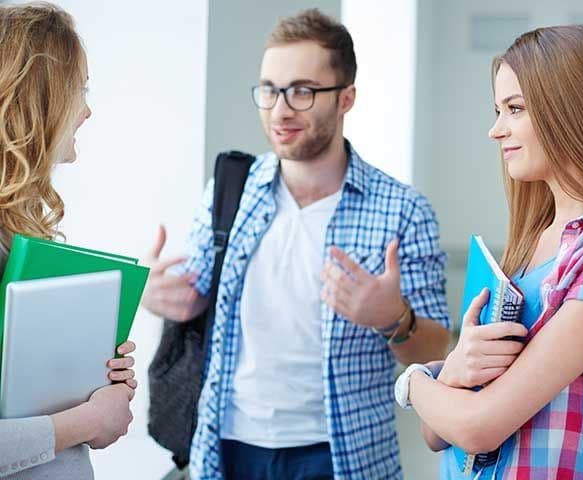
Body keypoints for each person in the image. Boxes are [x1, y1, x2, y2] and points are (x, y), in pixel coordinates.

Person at [142, 8, 450, 480]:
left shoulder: (403, 210)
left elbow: (434, 350)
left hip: (341, 456)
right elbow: (193, 293)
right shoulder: (231, 189)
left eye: (302, 91)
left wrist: (394, 318)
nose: (280, 110)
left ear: (346, 98)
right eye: (269, 90)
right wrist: (151, 290)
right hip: (228, 448)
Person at [397, 24, 583, 479]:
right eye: (498, 110)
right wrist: (452, 371)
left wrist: (413, 381)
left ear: (573, 109)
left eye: (514, 109)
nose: (496, 131)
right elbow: (437, 436)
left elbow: (478, 427)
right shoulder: (528, 245)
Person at [0, 3, 137, 478]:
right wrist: (87, 419)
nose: (87, 110)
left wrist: (93, 383)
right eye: (78, 90)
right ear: (39, 98)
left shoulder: (16, 230)